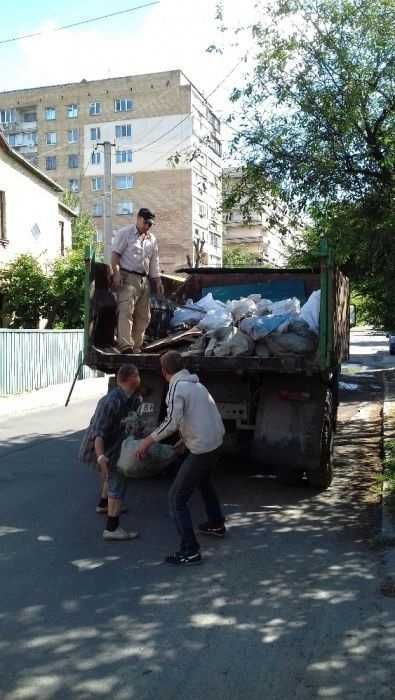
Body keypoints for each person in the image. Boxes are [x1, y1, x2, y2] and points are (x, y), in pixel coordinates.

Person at [136, 351, 226, 566]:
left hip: (202, 448)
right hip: (215, 443)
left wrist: (147, 441)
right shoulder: (197, 385)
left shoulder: (177, 387)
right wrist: (183, 443)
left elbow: (172, 422)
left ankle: (191, 551)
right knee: (204, 482)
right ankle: (216, 524)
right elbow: (200, 418)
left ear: (164, 371)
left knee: (176, 499)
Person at [79, 364, 142, 541]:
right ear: (129, 379)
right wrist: (100, 457)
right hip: (103, 449)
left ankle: (103, 504)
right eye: (137, 375)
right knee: (118, 481)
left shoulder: (131, 398)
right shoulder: (111, 401)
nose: (139, 378)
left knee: (111, 477)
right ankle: (112, 528)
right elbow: (97, 433)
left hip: (113, 447)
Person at [111, 207, 163, 354]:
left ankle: (136, 346)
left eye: (150, 224)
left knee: (144, 315)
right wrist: (116, 273)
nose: (148, 226)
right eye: (146, 222)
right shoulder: (125, 233)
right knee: (126, 310)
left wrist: (158, 281)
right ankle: (125, 345)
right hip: (127, 276)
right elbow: (114, 256)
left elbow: (154, 263)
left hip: (144, 280)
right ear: (139, 219)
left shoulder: (152, 239)